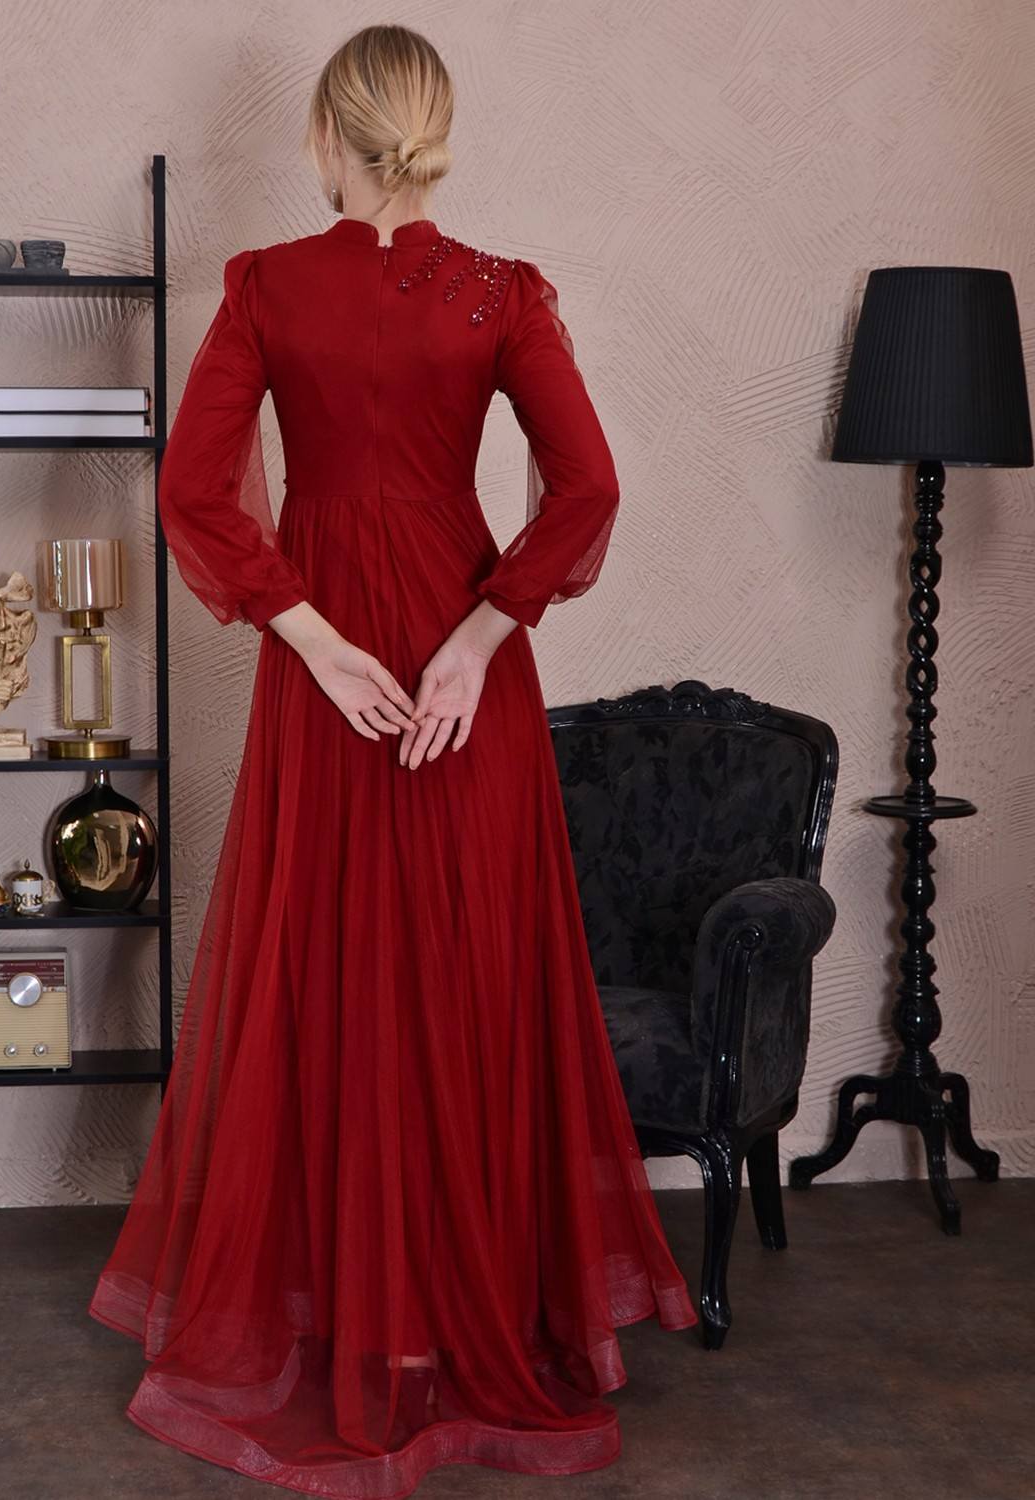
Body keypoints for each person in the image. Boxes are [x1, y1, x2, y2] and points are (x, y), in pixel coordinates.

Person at [88, 21, 697, 1497]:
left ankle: (346, 1315)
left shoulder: (265, 286)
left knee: (330, 972)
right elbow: (587, 487)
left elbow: (194, 492)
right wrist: (478, 643)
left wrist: (308, 636)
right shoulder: (503, 292)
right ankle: (458, 1317)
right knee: (468, 975)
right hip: (459, 668)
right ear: (433, 134)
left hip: (333, 672)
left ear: (325, 137)